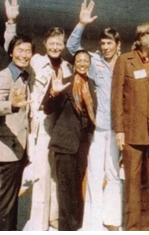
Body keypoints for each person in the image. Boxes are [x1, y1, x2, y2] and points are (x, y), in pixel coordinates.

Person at [1, 0, 71, 230]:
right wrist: (11, 22)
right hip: (41, 123)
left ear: (63, 45)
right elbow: (13, 48)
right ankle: (40, 223)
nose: (55, 46)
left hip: (58, 124)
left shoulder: (67, 67)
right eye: (51, 42)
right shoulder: (36, 61)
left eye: (59, 43)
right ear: (45, 43)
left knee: (55, 174)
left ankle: (53, 216)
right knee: (41, 174)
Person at [65, 0, 123, 231]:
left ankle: (112, 219)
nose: (106, 47)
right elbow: (72, 47)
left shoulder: (125, 63)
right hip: (98, 128)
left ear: (118, 44)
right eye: (103, 43)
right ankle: (93, 221)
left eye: (110, 43)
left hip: (117, 128)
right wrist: (81, 23)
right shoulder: (93, 60)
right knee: (95, 172)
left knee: (114, 173)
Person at [111, 22, 149, 230]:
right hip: (132, 132)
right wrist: (119, 129)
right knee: (132, 184)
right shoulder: (124, 61)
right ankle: (132, 228)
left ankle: (147, 228)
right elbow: (117, 98)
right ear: (143, 38)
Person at [42, 50, 96, 231]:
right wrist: (54, 93)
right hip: (64, 144)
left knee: (77, 184)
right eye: (79, 60)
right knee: (65, 188)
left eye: (86, 61)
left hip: (82, 144)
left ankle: (76, 224)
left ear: (89, 64)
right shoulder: (64, 83)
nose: (82, 63)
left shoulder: (92, 85)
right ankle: (66, 227)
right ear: (74, 64)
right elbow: (48, 109)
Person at [0, 33, 33, 231]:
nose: (24, 55)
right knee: (7, 199)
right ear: (11, 52)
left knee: (12, 196)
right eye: (20, 50)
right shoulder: (5, 75)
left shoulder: (23, 74)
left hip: (19, 147)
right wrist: (12, 106)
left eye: (28, 51)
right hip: (8, 147)